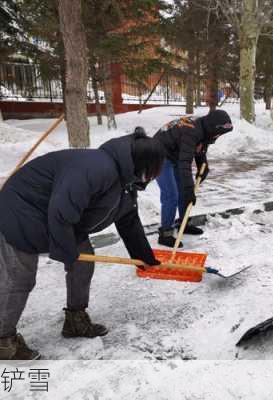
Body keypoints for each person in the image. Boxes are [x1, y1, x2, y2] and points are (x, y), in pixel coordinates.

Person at [0, 128, 165, 360]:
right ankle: (3, 341)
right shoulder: (97, 167)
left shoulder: (126, 181)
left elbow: (129, 221)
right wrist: (67, 252)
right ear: (143, 164)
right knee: (20, 277)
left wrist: (144, 258)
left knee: (83, 264)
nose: (155, 177)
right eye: (154, 171)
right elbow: (60, 211)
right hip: (21, 210)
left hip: (60, 219)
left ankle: (75, 320)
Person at [154, 110, 233, 247]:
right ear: (213, 127)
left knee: (183, 190)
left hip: (175, 154)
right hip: (158, 154)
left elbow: (199, 149)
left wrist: (204, 165)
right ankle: (165, 234)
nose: (219, 136)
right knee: (171, 195)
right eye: (219, 132)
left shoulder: (204, 128)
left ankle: (183, 224)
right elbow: (184, 163)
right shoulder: (191, 131)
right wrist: (189, 189)